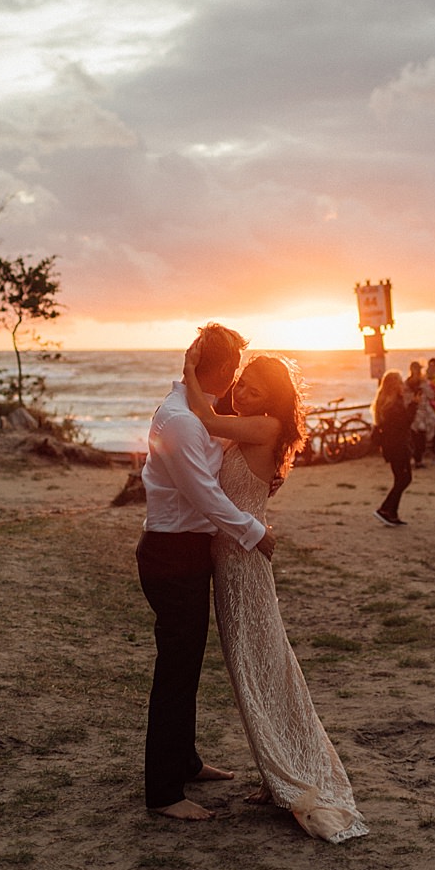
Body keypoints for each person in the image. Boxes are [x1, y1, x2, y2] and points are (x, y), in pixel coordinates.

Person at [179, 338, 369, 842]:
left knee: (259, 667)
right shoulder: (252, 431)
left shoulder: (266, 428)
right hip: (229, 559)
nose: (242, 393)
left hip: (243, 566)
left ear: (274, 400)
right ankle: (273, 771)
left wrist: (190, 368)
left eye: (254, 389)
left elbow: (203, 416)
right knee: (254, 669)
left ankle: (289, 773)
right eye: (241, 383)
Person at [137, 324, 274, 822]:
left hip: (185, 551)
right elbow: (203, 494)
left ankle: (186, 761)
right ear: (223, 369)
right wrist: (253, 532)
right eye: (235, 365)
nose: (238, 374)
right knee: (175, 670)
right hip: (173, 554)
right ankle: (164, 793)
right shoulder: (183, 423)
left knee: (188, 664)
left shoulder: (189, 413)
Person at [372, 370, 418, 526]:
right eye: (400, 382)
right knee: (405, 479)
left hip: (394, 446)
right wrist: (414, 405)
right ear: (394, 385)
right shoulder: (392, 405)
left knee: (401, 479)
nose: (403, 385)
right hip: (397, 447)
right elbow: (404, 423)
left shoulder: (389, 403)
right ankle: (385, 508)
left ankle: (392, 513)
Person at [405, 360, 435, 468]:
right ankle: (416, 459)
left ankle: (419, 459)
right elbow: (405, 398)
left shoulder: (424, 382)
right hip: (412, 412)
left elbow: (431, 395)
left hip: (423, 413)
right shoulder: (407, 383)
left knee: (421, 437)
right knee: (414, 437)